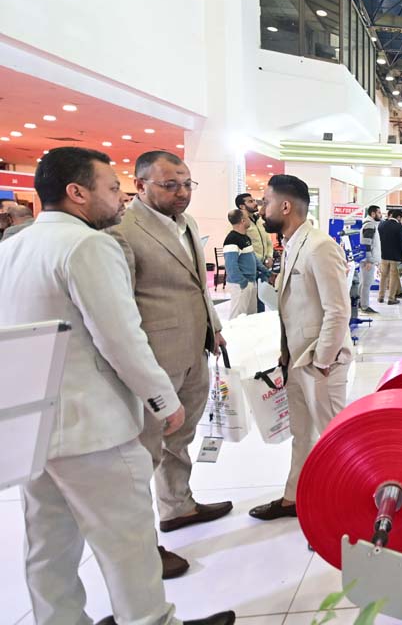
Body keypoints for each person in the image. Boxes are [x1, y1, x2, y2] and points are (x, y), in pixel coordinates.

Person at [0, 147, 234, 625]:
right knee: (128, 542)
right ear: (77, 192)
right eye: (112, 188)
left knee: (48, 543)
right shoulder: (89, 246)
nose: (120, 198)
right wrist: (162, 400)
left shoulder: (15, 246)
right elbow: (120, 336)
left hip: (37, 427)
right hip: (94, 428)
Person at [110, 151, 231, 578]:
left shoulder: (188, 224)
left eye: (186, 184)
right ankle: (141, 549)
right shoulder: (123, 231)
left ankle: (178, 505)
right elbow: (119, 305)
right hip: (156, 358)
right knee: (144, 451)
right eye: (170, 185)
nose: (181, 193)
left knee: (182, 436)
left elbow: (198, 285)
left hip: (195, 348)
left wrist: (214, 327)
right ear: (140, 185)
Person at [250, 175, 352, 521]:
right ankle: (294, 498)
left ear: (285, 206)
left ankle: (347, 506)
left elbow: (338, 310)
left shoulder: (320, 246)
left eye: (265, 202)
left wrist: (323, 360)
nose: (261, 209)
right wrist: (286, 353)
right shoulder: (293, 244)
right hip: (296, 359)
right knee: (302, 434)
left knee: (335, 437)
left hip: (320, 363)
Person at [223, 209, 267, 320]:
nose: (250, 220)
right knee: (237, 317)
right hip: (241, 284)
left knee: (251, 316)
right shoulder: (231, 239)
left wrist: (265, 270)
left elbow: (253, 258)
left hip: (251, 282)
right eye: (247, 218)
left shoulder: (246, 238)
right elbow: (231, 267)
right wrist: (243, 283)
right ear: (243, 221)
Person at [378, 209, 402, 305]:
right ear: (398, 217)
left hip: (384, 255)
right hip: (396, 257)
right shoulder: (399, 227)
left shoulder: (382, 225)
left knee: (383, 277)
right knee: (393, 278)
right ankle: (391, 298)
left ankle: (380, 297)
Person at [359, 204, 382, 314]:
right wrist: (369, 260)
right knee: (367, 283)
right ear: (373, 214)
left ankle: (360, 303)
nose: (380, 215)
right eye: (379, 213)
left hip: (367, 258)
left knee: (364, 283)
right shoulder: (370, 225)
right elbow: (367, 243)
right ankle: (364, 305)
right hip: (368, 259)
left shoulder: (369, 224)